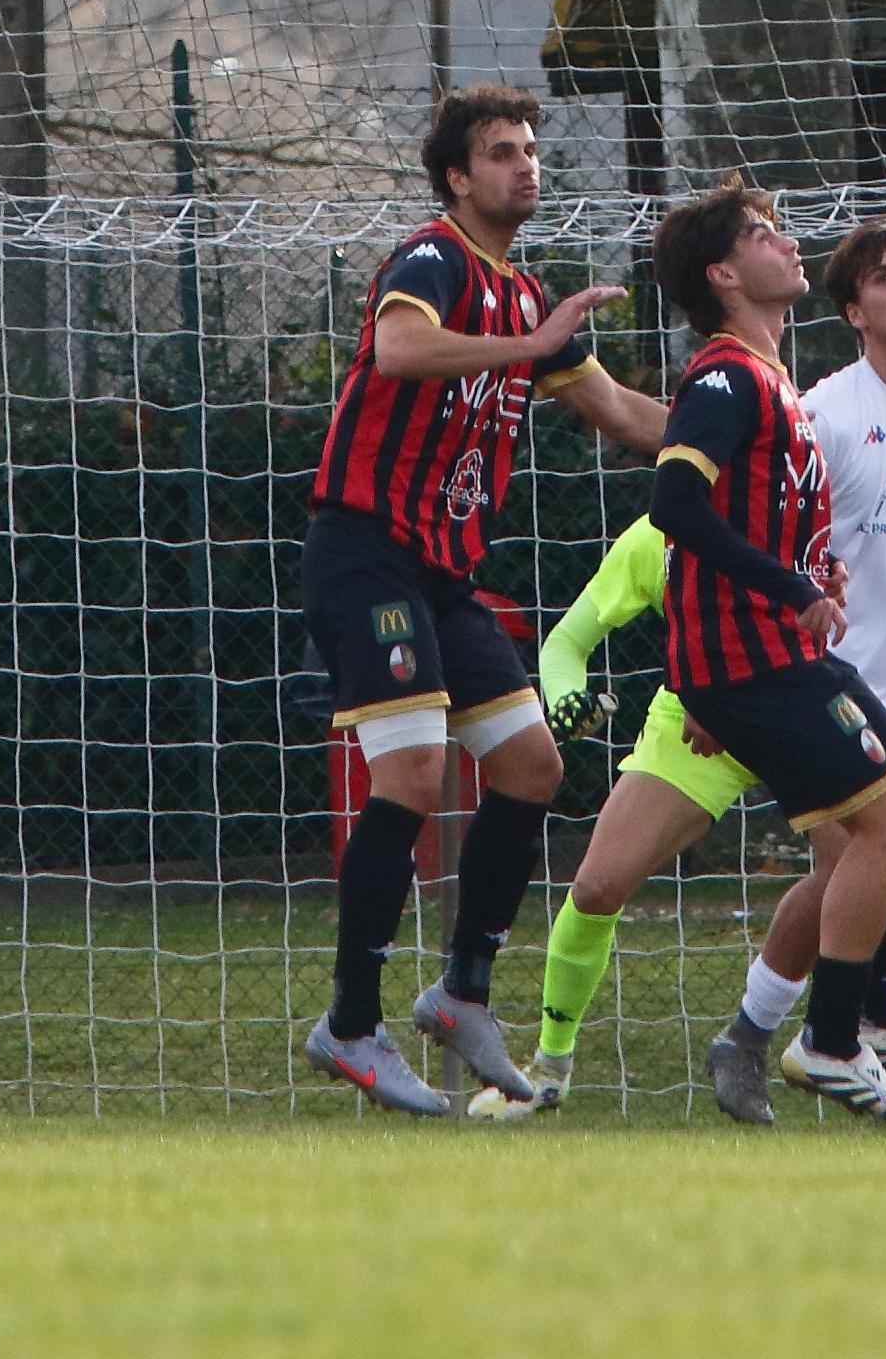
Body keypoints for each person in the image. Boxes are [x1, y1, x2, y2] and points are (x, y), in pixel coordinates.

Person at [508, 223, 886, 1126]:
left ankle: (878, 1046)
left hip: (817, 676)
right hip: (748, 676)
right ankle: (579, 1060)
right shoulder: (799, 400)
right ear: (851, 310)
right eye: (884, 274)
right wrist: (706, 673)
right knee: (623, 879)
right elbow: (679, 505)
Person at [530, 178, 886, 1119]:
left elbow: (756, 526)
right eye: (761, 233)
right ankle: (832, 1038)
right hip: (748, 662)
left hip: (775, 655)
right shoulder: (724, 377)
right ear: (722, 274)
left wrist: (816, 573)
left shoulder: (775, 382)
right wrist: (783, 596)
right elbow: (676, 510)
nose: (786, 242)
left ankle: (851, 1024)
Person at [297, 84, 668, 1116]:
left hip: (439, 573)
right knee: (413, 773)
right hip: (365, 553)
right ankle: (351, 1024)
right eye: (502, 152)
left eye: (530, 149)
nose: (525, 164)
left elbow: (621, 412)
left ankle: (460, 993)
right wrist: (530, 348)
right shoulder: (434, 258)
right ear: (457, 177)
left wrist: (750, 428)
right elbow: (400, 349)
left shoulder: (524, 294)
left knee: (530, 763)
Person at [510, 512, 886, 1123]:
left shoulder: (808, 517)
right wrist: (567, 699)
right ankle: (549, 1068)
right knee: (597, 886)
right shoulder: (663, 527)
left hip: (798, 711)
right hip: (700, 727)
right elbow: (567, 642)